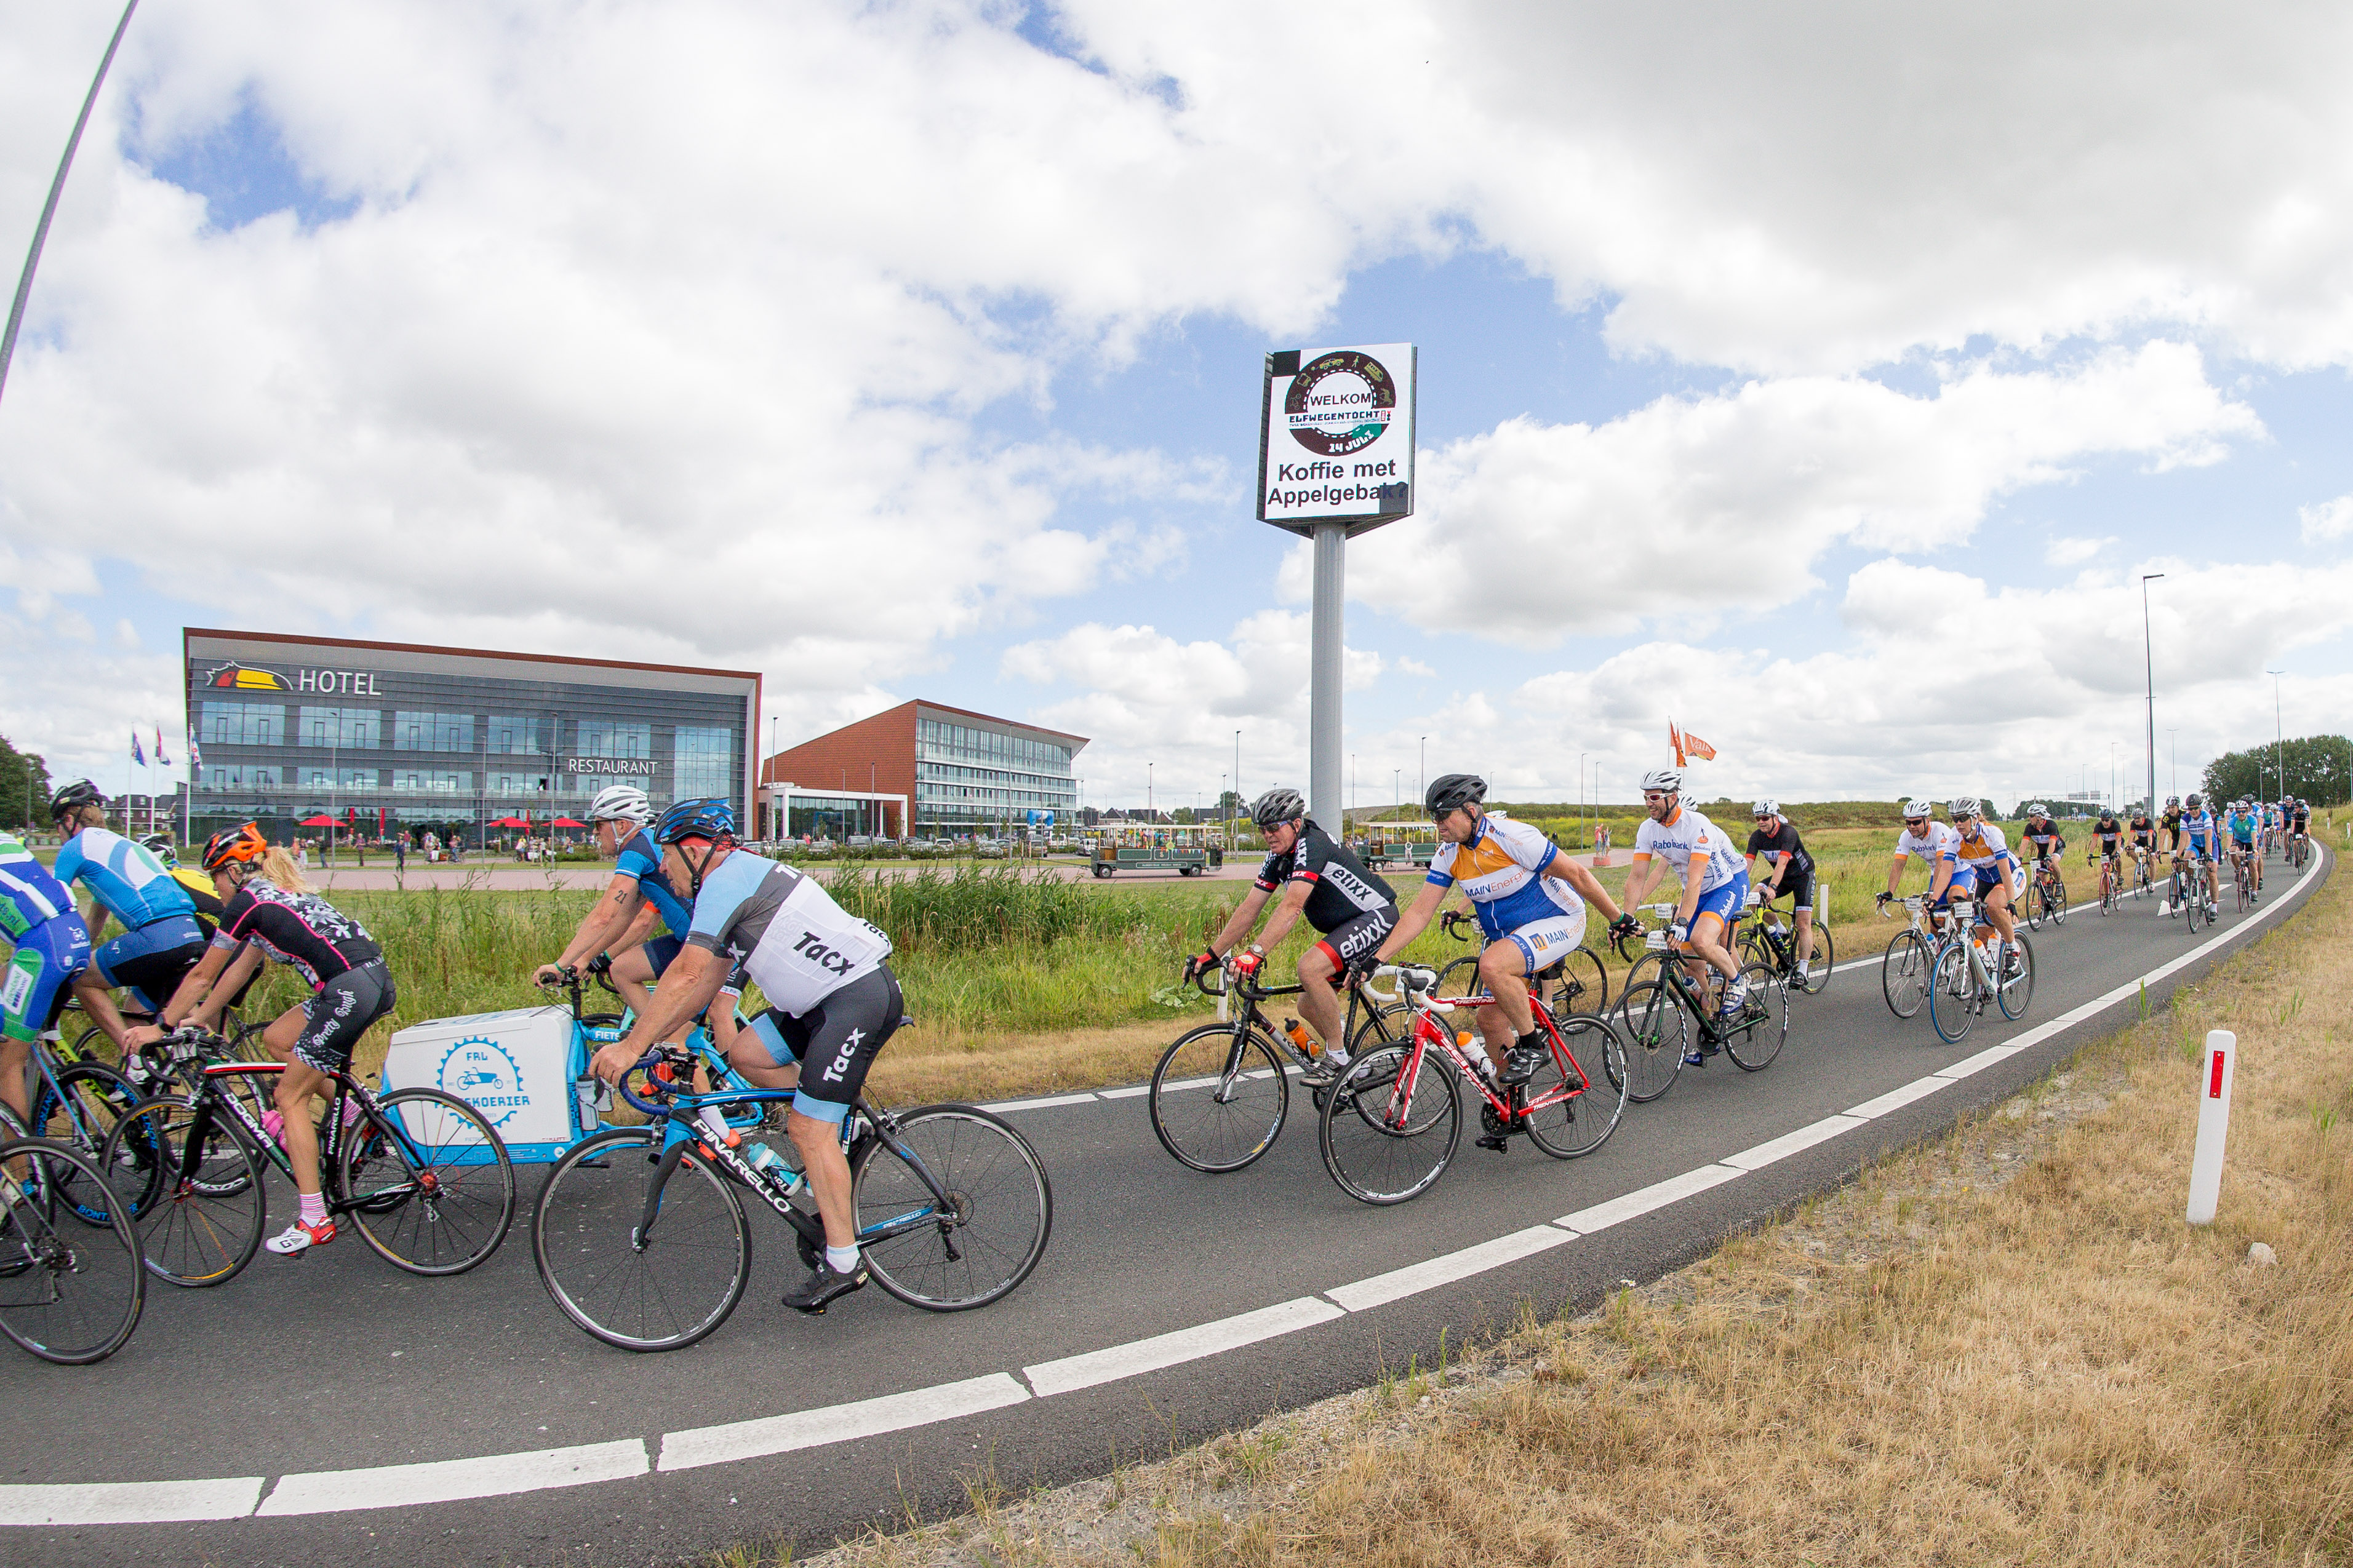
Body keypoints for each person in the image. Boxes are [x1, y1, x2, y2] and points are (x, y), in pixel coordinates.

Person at [591, 798, 902, 1314]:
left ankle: (846, 1263)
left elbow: (688, 972)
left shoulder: (726, 880)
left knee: (807, 1128)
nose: (664, 870)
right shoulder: (730, 879)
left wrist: (629, 1046)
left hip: (856, 998)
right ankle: (832, 1108)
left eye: (666, 857)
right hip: (819, 1003)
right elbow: (703, 981)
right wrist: (660, 1038)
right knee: (744, 1052)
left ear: (693, 851)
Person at [130, 824, 393, 1256]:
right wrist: (198, 1018)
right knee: (277, 1038)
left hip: (347, 990)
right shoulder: (273, 895)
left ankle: (314, 1219)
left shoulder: (249, 900)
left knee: (288, 1097)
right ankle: (353, 1111)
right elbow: (234, 971)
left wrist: (160, 1027)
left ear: (234, 871)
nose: (214, 887)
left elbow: (201, 974)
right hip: (367, 982)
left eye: (215, 875)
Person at [1370, 774, 1637, 1097]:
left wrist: (1618, 918)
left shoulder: (1513, 836)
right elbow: (1420, 912)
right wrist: (1377, 958)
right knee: (1489, 1020)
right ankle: (1510, 1107)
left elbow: (1578, 874)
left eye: (1443, 815)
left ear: (1471, 810)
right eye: (1433, 816)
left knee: (1492, 964)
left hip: (1561, 920)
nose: (1437, 824)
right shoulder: (1448, 854)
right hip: (1512, 936)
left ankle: (1533, 1045)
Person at [1188, 788, 1400, 1086]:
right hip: (1350, 924)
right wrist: (1211, 955)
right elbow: (1250, 908)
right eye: (1263, 829)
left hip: (1377, 915)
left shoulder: (1311, 845)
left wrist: (1255, 952)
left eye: (1274, 827)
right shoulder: (1279, 856)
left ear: (1296, 824)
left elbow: (1292, 906)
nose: (1268, 835)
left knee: (1310, 968)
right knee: (1306, 1005)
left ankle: (1338, 1057)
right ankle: (1355, 1068)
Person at [47, 781, 209, 1045]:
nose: (59, 833)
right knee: (135, 1015)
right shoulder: (119, 844)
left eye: (57, 825)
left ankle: (130, 1058)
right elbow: (94, 925)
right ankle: (153, 1077)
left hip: (159, 936)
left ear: (68, 820)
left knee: (82, 978)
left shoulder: (75, 848)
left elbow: (54, 909)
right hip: (190, 934)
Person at [535, 785, 699, 1026]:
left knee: (678, 1040)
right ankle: (655, 1038)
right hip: (690, 939)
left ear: (621, 825)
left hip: (703, 943)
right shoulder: (649, 843)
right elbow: (624, 919)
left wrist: (561, 964)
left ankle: (662, 1040)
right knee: (622, 969)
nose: (595, 832)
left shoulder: (635, 852)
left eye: (599, 825)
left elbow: (603, 917)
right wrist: (586, 958)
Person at [0, 829, 131, 1124]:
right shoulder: (7, 840)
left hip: (43, 947)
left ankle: (21, 1168)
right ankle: (47, 1085)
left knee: (8, 1063)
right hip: (72, 935)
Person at [1618, 768, 1752, 1046]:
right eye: (1645, 797)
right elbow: (1637, 877)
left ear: (1672, 797)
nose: (1648, 803)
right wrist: (1625, 918)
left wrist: (1681, 923)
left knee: (1701, 941)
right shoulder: (1648, 829)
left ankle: (1736, 980)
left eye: (1654, 797)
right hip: (1694, 893)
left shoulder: (1698, 825)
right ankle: (1711, 1017)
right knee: (1690, 964)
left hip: (1719, 889)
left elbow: (1694, 881)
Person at [1743, 799, 1820, 984]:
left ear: (1775, 818)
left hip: (1803, 877)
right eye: (1758, 819)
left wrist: (1773, 888)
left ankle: (1802, 971)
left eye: (1765, 818)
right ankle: (1782, 931)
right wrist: (1739, 889)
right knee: (1753, 899)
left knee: (1802, 923)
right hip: (1784, 878)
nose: (1761, 822)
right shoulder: (1756, 837)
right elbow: (1746, 866)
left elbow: (1783, 863)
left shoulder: (1788, 833)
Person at [1947, 798, 2024, 963]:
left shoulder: (1991, 834)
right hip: (1984, 880)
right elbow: (1945, 873)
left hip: (2011, 875)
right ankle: (1987, 983)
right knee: (1982, 938)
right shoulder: (1955, 838)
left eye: (1963, 819)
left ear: (1975, 818)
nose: (1958, 824)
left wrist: (2011, 902)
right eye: (1955, 820)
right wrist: (1933, 900)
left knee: (1993, 904)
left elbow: (2005, 872)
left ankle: (2012, 947)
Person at [1877, 796, 1965, 926]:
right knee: (1936, 923)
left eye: (1917, 822)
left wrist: (1933, 894)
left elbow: (1941, 865)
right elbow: (1898, 866)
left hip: (1959, 872)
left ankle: (1963, 936)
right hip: (1937, 874)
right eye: (1908, 823)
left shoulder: (1940, 832)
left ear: (1927, 821)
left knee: (1953, 900)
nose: (1912, 826)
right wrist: (1890, 892)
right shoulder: (1906, 837)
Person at [2168, 792, 2218, 918]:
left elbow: (2208, 838)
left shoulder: (2206, 816)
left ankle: (2214, 907)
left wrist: (2208, 855)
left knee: (2212, 873)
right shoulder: (2185, 818)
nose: (2194, 811)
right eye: (2191, 809)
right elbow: (2183, 839)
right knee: (2186, 860)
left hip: (2210, 844)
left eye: (2196, 808)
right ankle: (2193, 882)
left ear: (2200, 807)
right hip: (2195, 844)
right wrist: (2177, 856)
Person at [2019, 805, 2066, 897]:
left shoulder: (2051, 825)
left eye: (2032, 816)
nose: (2029, 818)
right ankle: (2046, 899)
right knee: (2042, 875)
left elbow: (2052, 843)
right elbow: (2024, 843)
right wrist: (2020, 858)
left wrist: (2049, 856)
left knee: (2053, 863)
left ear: (2039, 817)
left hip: (2056, 849)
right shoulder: (2029, 828)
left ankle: (2058, 884)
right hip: (2042, 852)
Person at [2088, 807, 2125, 903]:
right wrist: (2090, 854)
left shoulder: (2116, 825)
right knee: (2105, 869)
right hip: (2107, 846)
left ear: (2111, 820)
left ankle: (2120, 875)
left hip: (2118, 844)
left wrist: (2117, 853)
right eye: (2103, 820)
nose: (2105, 823)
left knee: (2117, 858)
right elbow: (2094, 841)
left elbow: (2118, 840)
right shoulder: (2098, 826)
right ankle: (2106, 895)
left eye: (2107, 820)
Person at [2227, 797, 2261, 897]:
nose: (2241, 814)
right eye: (2238, 811)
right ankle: (2239, 869)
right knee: (2233, 852)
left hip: (2251, 841)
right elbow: (2230, 836)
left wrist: (2255, 849)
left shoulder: (2252, 820)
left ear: (2247, 811)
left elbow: (2254, 836)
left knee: (2253, 864)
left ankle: (2254, 891)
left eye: (2243, 811)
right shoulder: (2233, 820)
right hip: (2239, 841)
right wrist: (2227, 849)